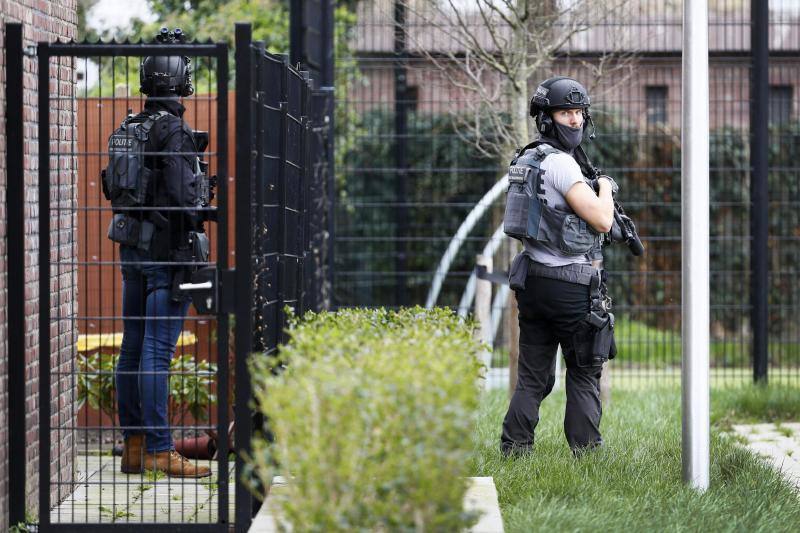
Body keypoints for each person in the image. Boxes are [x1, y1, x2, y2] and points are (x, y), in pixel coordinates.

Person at [104, 28, 213, 477]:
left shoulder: (128, 127)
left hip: (132, 251)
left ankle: (133, 446)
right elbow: (187, 201)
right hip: (168, 256)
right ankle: (160, 448)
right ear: (182, 79)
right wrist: (203, 187)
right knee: (155, 352)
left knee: (132, 348)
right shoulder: (175, 132)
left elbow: (115, 187)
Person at [500, 76, 618, 456]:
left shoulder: (525, 158)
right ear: (547, 118)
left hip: (533, 280)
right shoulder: (562, 165)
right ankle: (587, 457)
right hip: (571, 285)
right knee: (584, 372)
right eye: (566, 112)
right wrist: (605, 186)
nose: (575, 121)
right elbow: (601, 219)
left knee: (532, 377)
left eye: (579, 113)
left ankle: (514, 450)